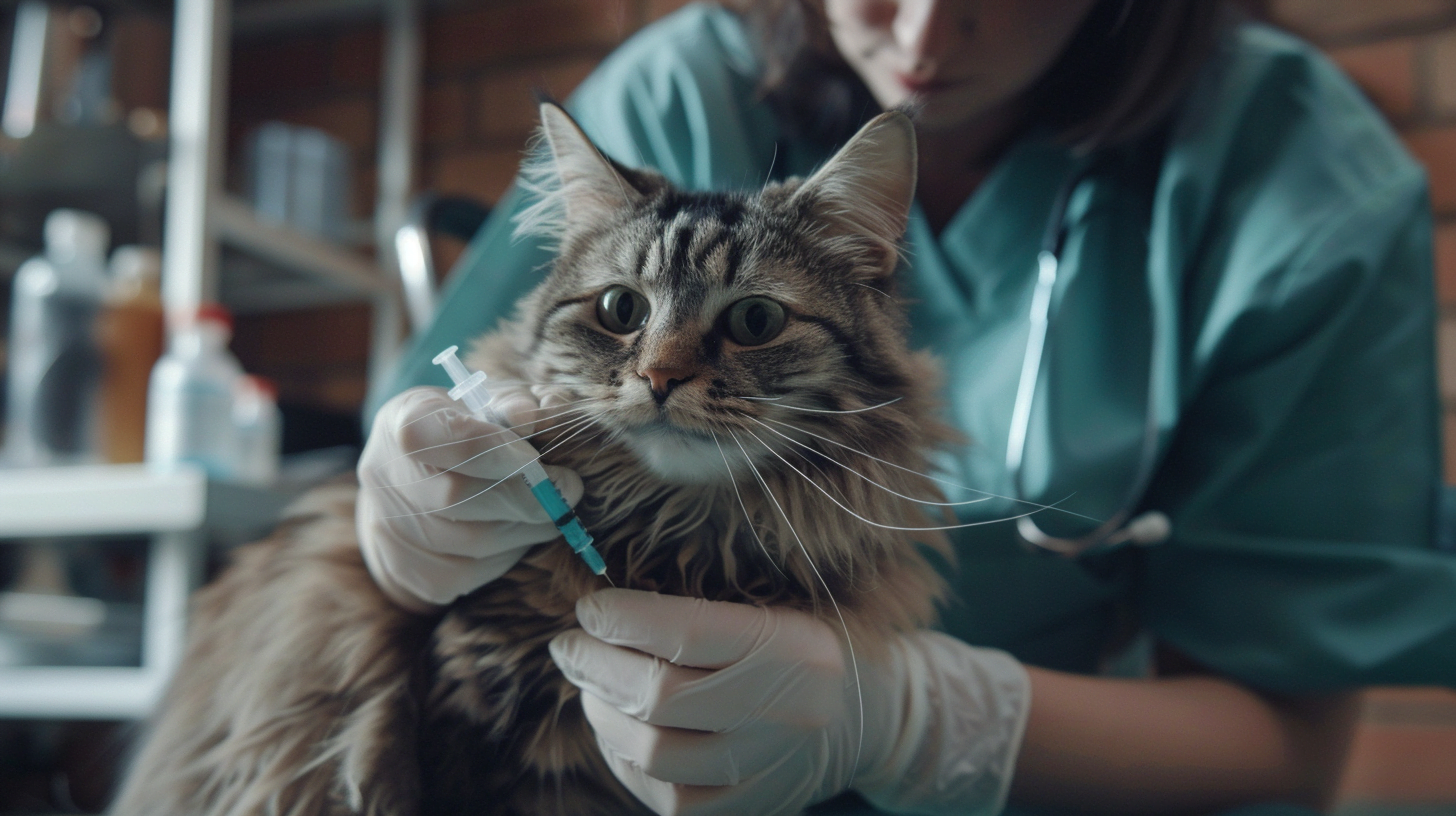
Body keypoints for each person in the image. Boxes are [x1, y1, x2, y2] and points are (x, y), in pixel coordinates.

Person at [357, 1, 1456, 813]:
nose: (922, 37)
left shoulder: (1286, 170)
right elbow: (460, 382)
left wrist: (916, 722)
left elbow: (1291, 742)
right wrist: (410, 505)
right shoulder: (677, 92)